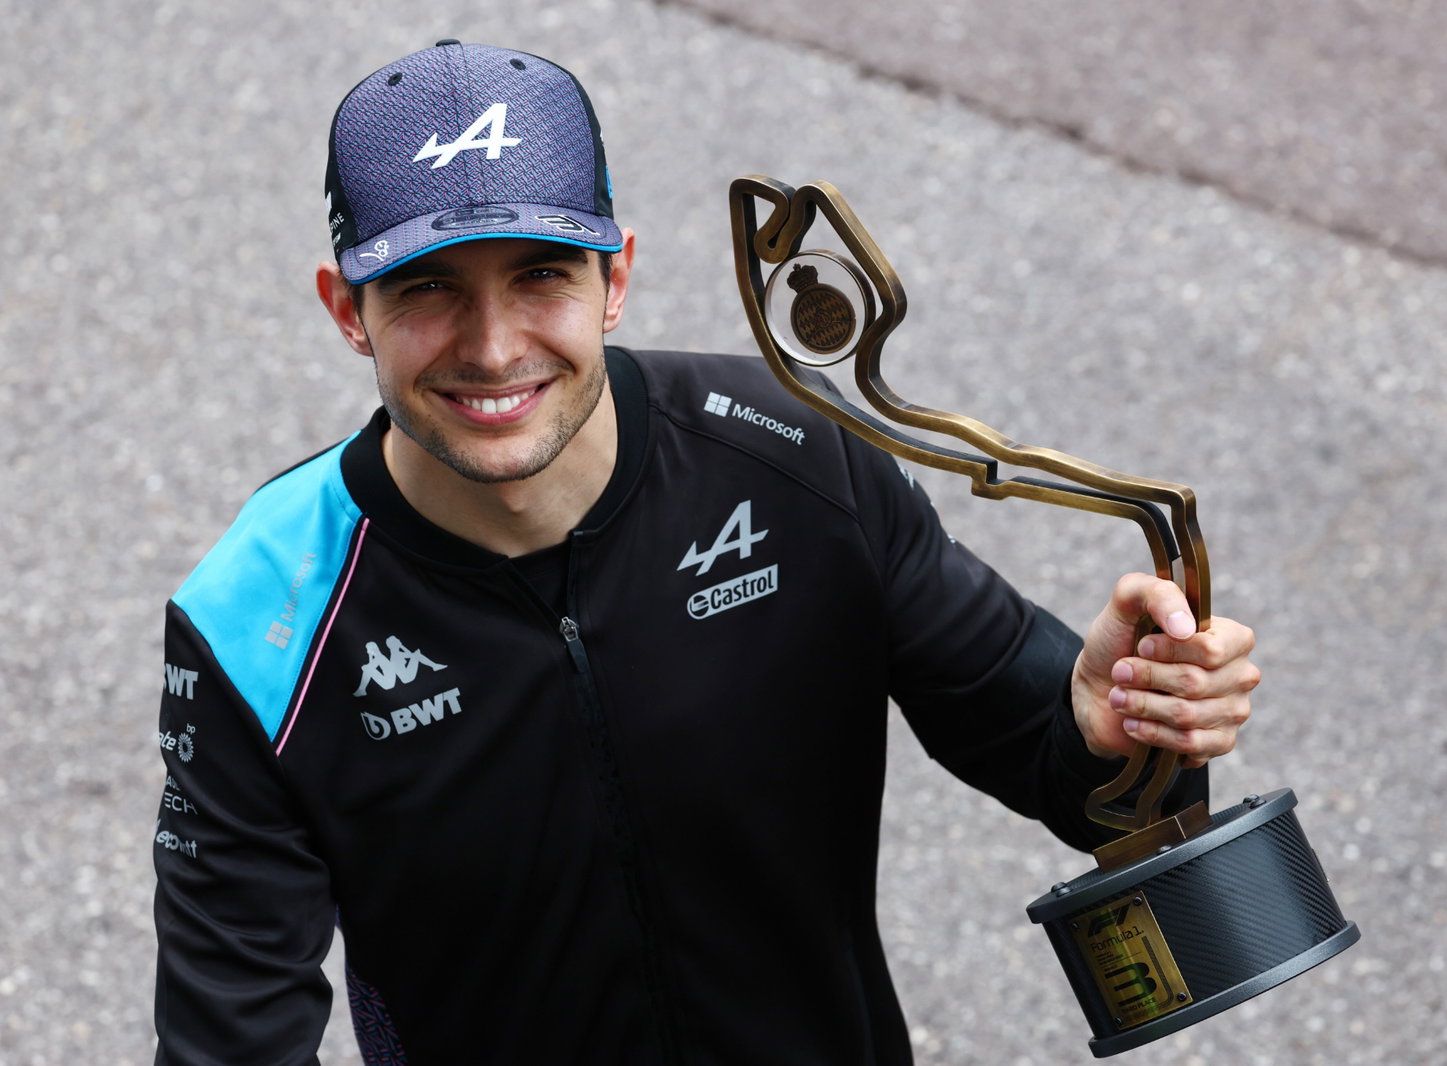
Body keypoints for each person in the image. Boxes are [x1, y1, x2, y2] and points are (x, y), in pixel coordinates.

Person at [151, 40, 1258, 1065]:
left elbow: (1076, 777)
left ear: (617, 278)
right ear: (347, 308)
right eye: (427, 288)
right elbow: (228, 1039)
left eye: (542, 274)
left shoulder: (799, 461)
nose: (492, 348)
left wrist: (1120, 728)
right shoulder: (256, 617)